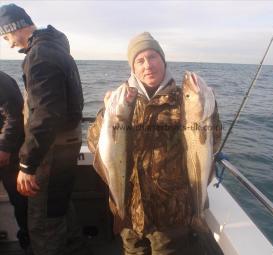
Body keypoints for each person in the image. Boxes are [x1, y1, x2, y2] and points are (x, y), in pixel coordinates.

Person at [89, 32, 223, 255]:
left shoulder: (183, 99)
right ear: (132, 68)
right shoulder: (122, 100)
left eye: (152, 57)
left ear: (163, 60)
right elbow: (95, 144)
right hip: (129, 211)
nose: (147, 65)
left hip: (171, 214)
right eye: (139, 61)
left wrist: (210, 108)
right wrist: (106, 114)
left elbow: (212, 140)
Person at [0, 4, 90, 255]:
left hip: (50, 152)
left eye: (6, 37)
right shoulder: (56, 47)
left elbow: (46, 114)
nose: (7, 44)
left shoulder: (38, 55)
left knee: (43, 225)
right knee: (59, 207)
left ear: (16, 27)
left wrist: (27, 164)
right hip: (66, 145)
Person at [0, 71, 31, 253]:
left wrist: (4, 148)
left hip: (8, 154)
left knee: (21, 202)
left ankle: (28, 242)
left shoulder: (2, 80)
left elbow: (14, 116)